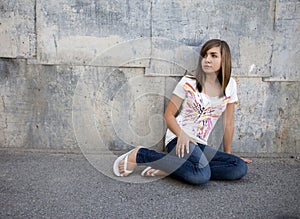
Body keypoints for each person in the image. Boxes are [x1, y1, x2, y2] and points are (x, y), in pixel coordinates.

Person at [113, 39, 250, 185]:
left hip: (200, 144)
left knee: (238, 167)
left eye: (213, 56)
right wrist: (182, 135)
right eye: (205, 55)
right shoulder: (189, 82)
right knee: (201, 175)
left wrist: (227, 156)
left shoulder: (231, 85)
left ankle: (173, 168)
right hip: (178, 139)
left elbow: (228, 123)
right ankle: (141, 155)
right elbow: (168, 115)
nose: (207, 60)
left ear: (224, 60)